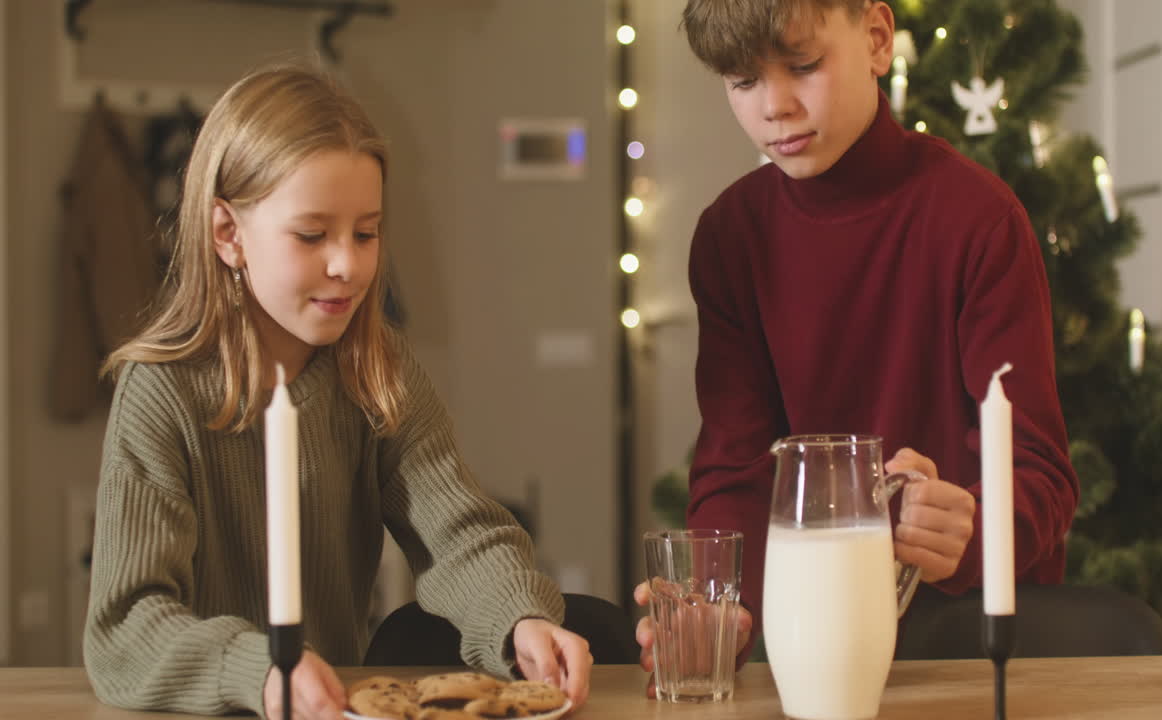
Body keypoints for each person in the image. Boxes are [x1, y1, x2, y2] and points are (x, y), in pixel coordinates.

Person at [84, 65, 591, 720]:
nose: (348, 263)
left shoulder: (379, 369)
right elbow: (124, 628)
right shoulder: (161, 393)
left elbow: (458, 533)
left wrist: (519, 618)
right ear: (227, 234)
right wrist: (258, 670)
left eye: (366, 232)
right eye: (312, 234)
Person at [635, 0, 1079, 687]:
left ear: (876, 39)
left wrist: (973, 526)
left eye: (803, 65)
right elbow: (734, 465)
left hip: (968, 643)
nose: (774, 106)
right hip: (809, 637)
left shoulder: (979, 220)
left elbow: (1042, 473)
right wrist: (722, 609)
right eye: (742, 81)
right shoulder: (730, 236)